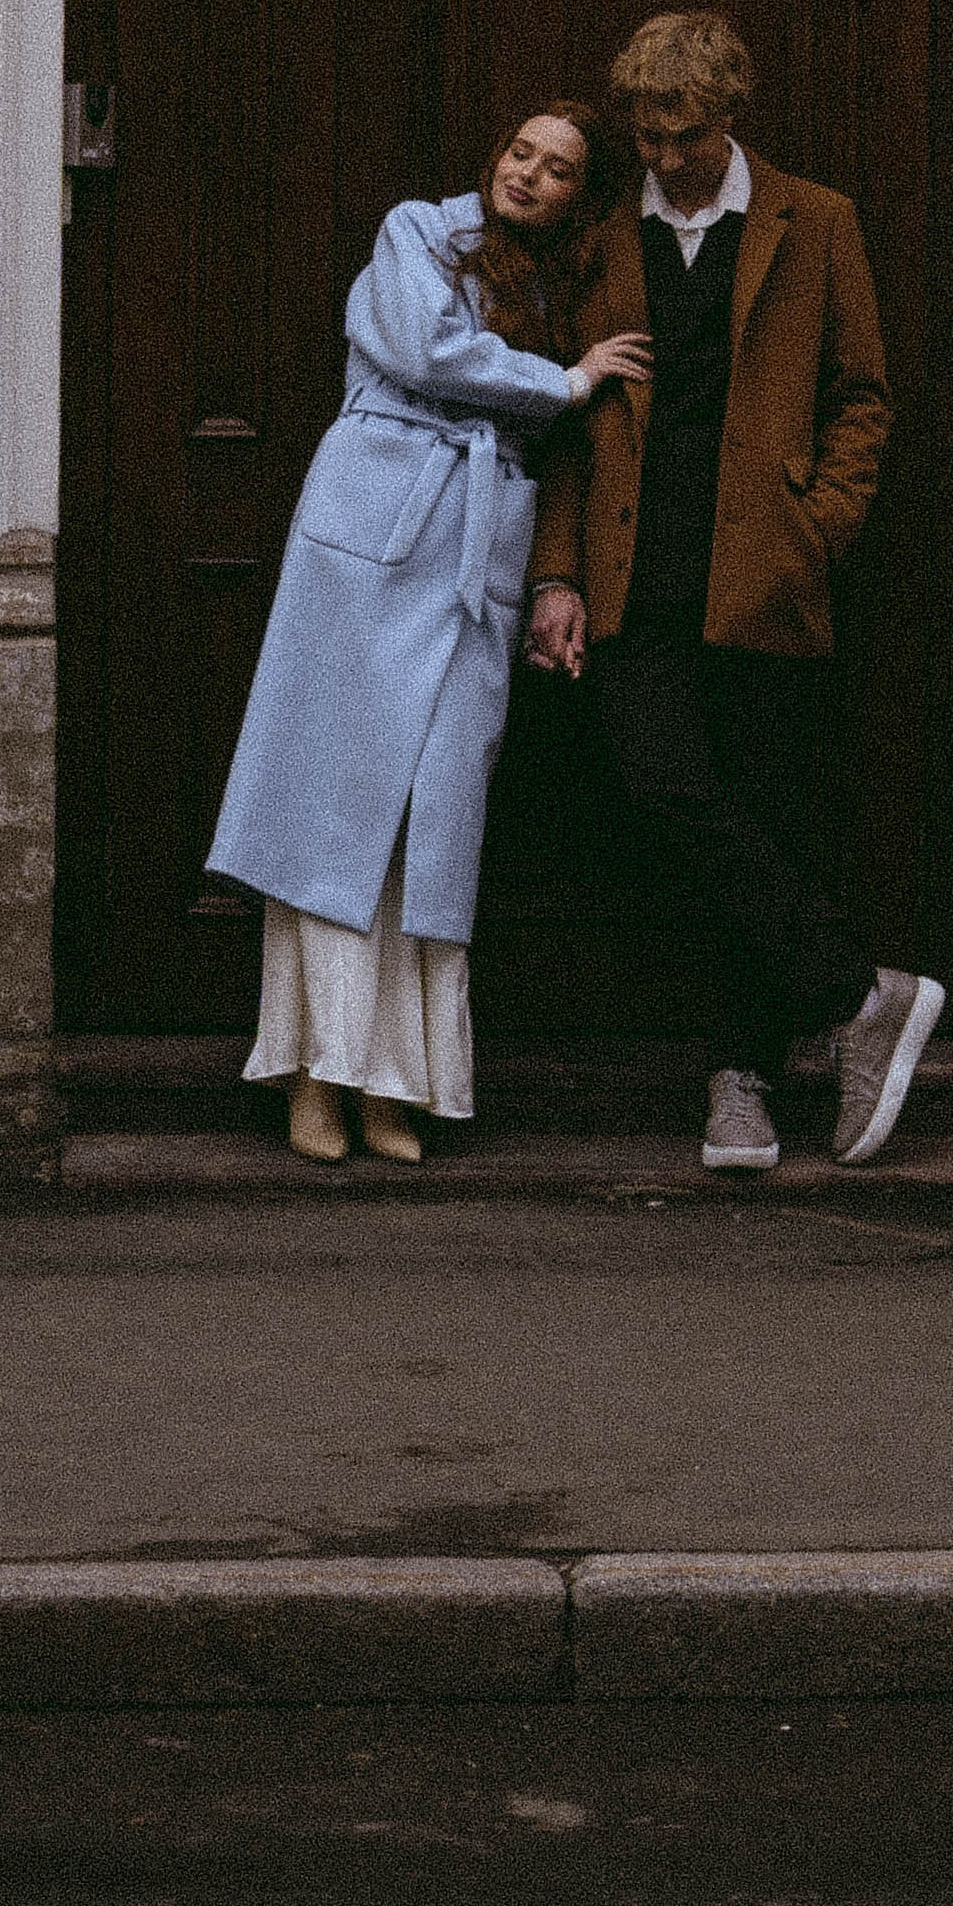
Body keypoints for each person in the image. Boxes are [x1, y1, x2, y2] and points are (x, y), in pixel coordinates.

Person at [525, 10, 946, 1171]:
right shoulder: (604, 234)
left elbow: (862, 395)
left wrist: (816, 528)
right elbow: (562, 423)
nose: (662, 158)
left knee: (758, 820)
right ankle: (863, 995)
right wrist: (554, 570)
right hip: (630, 576)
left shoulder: (817, 223)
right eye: (647, 137)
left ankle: (740, 1083)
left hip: (764, 573)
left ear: (729, 118)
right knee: (671, 797)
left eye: (682, 136)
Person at [208, 106, 649, 1164]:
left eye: (559, 169)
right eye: (519, 153)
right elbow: (424, 347)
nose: (529, 175)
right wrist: (567, 380)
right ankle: (313, 1075)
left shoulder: (559, 286)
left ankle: (395, 1084)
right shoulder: (418, 231)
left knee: (433, 815)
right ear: (493, 155)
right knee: (333, 805)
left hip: (474, 552)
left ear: (580, 196)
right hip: (374, 530)